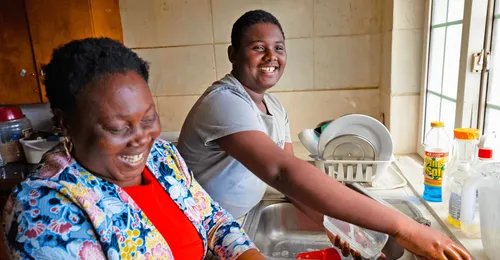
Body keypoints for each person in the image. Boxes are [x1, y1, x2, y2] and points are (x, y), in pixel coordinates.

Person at [178, 10, 472, 260]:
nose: (271, 56)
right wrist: (405, 227)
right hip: (200, 232)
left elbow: (294, 188)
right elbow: (282, 172)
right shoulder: (224, 102)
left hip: (234, 224)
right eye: (258, 47)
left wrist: (337, 227)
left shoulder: (275, 108)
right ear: (233, 54)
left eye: (279, 47)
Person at [2, 38, 265, 260]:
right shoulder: (43, 210)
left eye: (149, 118)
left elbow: (212, 220)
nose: (141, 138)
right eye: (117, 128)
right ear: (65, 123)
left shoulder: (162, 158)